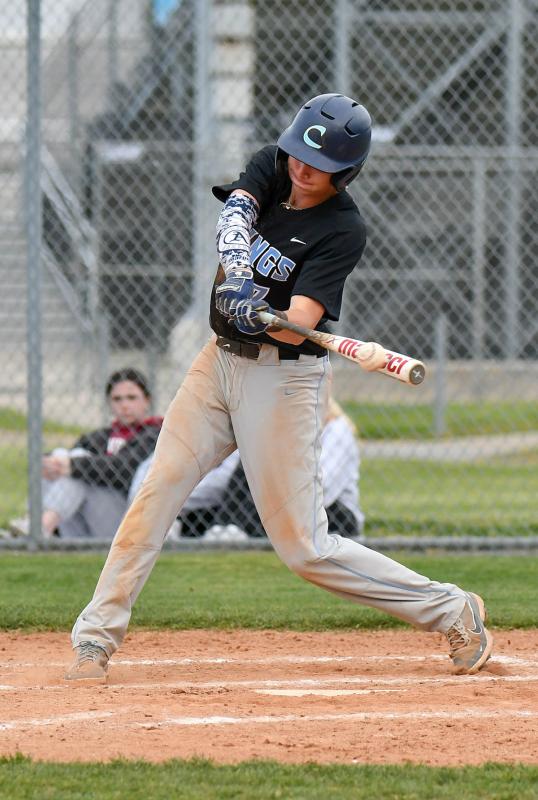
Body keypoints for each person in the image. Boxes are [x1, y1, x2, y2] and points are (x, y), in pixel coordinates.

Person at [66, 93, 493, 681]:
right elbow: (234, 218)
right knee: (155, 492)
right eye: (299, 154)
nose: (302, 167)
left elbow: (300, 324)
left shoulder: (343, 229)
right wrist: (239, 278)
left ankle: (450, 608)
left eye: (319, 164)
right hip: (217, 363)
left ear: (346, 172)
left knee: (305, 548)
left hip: (282, 380)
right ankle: (95, 638)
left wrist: (258, 313)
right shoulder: (273, 163)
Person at [128, 395, 364, 539]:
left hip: (329, 515)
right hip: (270, 508)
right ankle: (224, 530)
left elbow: (323, 491)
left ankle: (231, 530)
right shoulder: (269, 430)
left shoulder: (336, 429)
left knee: (263, 468)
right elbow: (225, 480)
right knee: (202, 514)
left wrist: (271, 486)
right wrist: (172, 500)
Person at [11, 368, 163, 539]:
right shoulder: (101, 436)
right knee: (62, 458)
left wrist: (73, 465)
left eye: (132, 398)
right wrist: (49, 461)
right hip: (89, 521)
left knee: (75, 464)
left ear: (147, 401)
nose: (124, 405)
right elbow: (69, 459)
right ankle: (35, 523)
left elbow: (125, 470)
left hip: (128, 521)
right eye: (117, 399)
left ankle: (38, 528)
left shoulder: (156, 433)